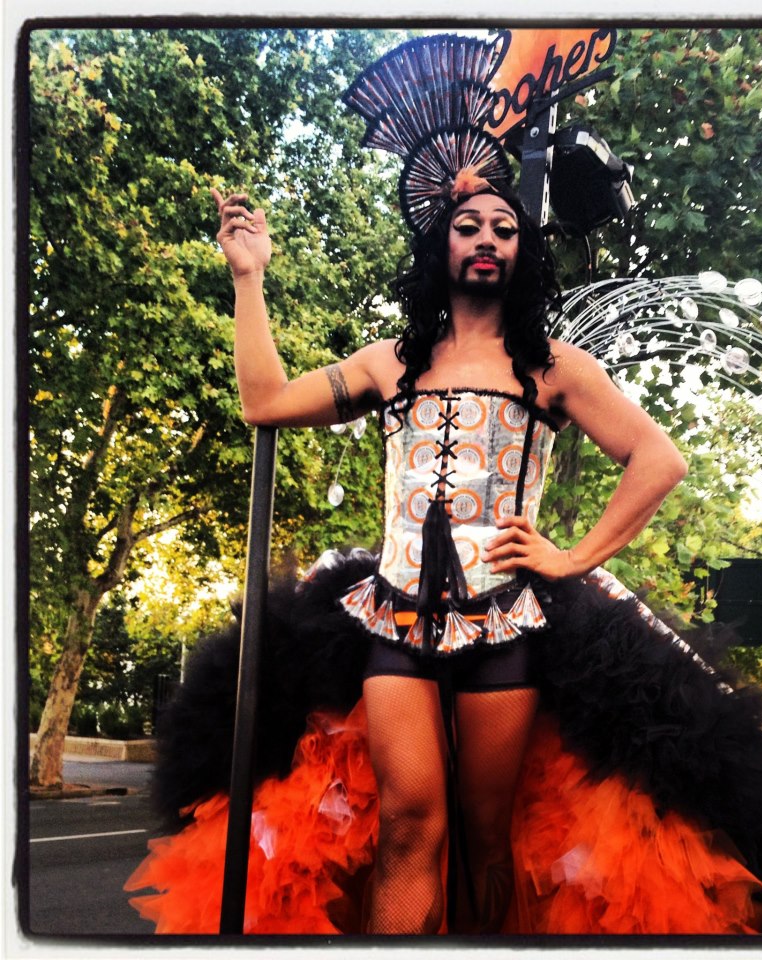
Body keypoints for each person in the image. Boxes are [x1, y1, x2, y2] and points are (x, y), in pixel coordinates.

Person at [209, 181, 688, 934]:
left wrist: (574, 557)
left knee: (485, 833)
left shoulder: (555, 369)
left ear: (523, 252)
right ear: (443, 247)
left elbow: (658, 459)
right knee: (409, 821)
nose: (487, 238)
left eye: (504, 228)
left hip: (503, 622)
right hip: (396, 617)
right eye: (468, 226)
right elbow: (264, 402)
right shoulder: (389, 364)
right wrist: (249, 278)